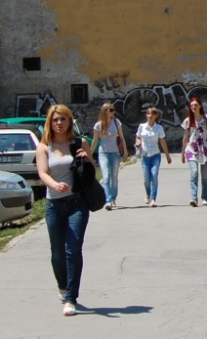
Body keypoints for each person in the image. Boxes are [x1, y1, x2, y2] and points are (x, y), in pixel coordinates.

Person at [36, 104, 96, 317]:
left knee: (73, 249)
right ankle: (62, 286)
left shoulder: (79, 143)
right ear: (50, 123)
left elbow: (92, 170)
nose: (59, 123)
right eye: (55, 120)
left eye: (63, 119)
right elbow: (42, 172)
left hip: (77, 203)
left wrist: (86, 158)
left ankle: (71, 297)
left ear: (70, 121)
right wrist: (54, 185)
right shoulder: (44, 147)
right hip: (54, 204)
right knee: (57, 253)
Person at [89, 103, 128, 210]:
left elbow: (122, 138)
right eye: (110, 110)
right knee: (106, 177)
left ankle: (113, 196)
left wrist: (125, 152)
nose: (112, 112)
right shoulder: (98, 125)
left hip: (115, 153)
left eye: (113, 110)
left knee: (114, 177)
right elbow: (95, 141)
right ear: (104, 111)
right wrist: (89, 154)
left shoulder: (116, 122)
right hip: (103, 153)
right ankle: (108, 200)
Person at [181, 97, 207, 206]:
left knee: (204, 176)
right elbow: (185, 137)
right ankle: (194, 198)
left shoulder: (206, 118)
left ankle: (205, 198)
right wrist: (182, 153)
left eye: (195, 105)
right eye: (192, 105)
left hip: (205, 149)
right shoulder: (188, 121)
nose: (193, 107)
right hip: (191, 150)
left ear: (200, 106)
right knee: (194, 173)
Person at [134, 107, 172, 206]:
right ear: (146, 115)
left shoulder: (159, 128)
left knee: (154, 175)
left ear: (156, 116)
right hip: (145, 155)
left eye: (152, 114)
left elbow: (162, 142)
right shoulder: (141, 126)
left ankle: (153, 199)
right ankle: (148, 194)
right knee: (146, 178)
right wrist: (138, 142)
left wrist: (167, 156)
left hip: (155, 155)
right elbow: (138, 137)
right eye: (148, 114)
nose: (150, 116)